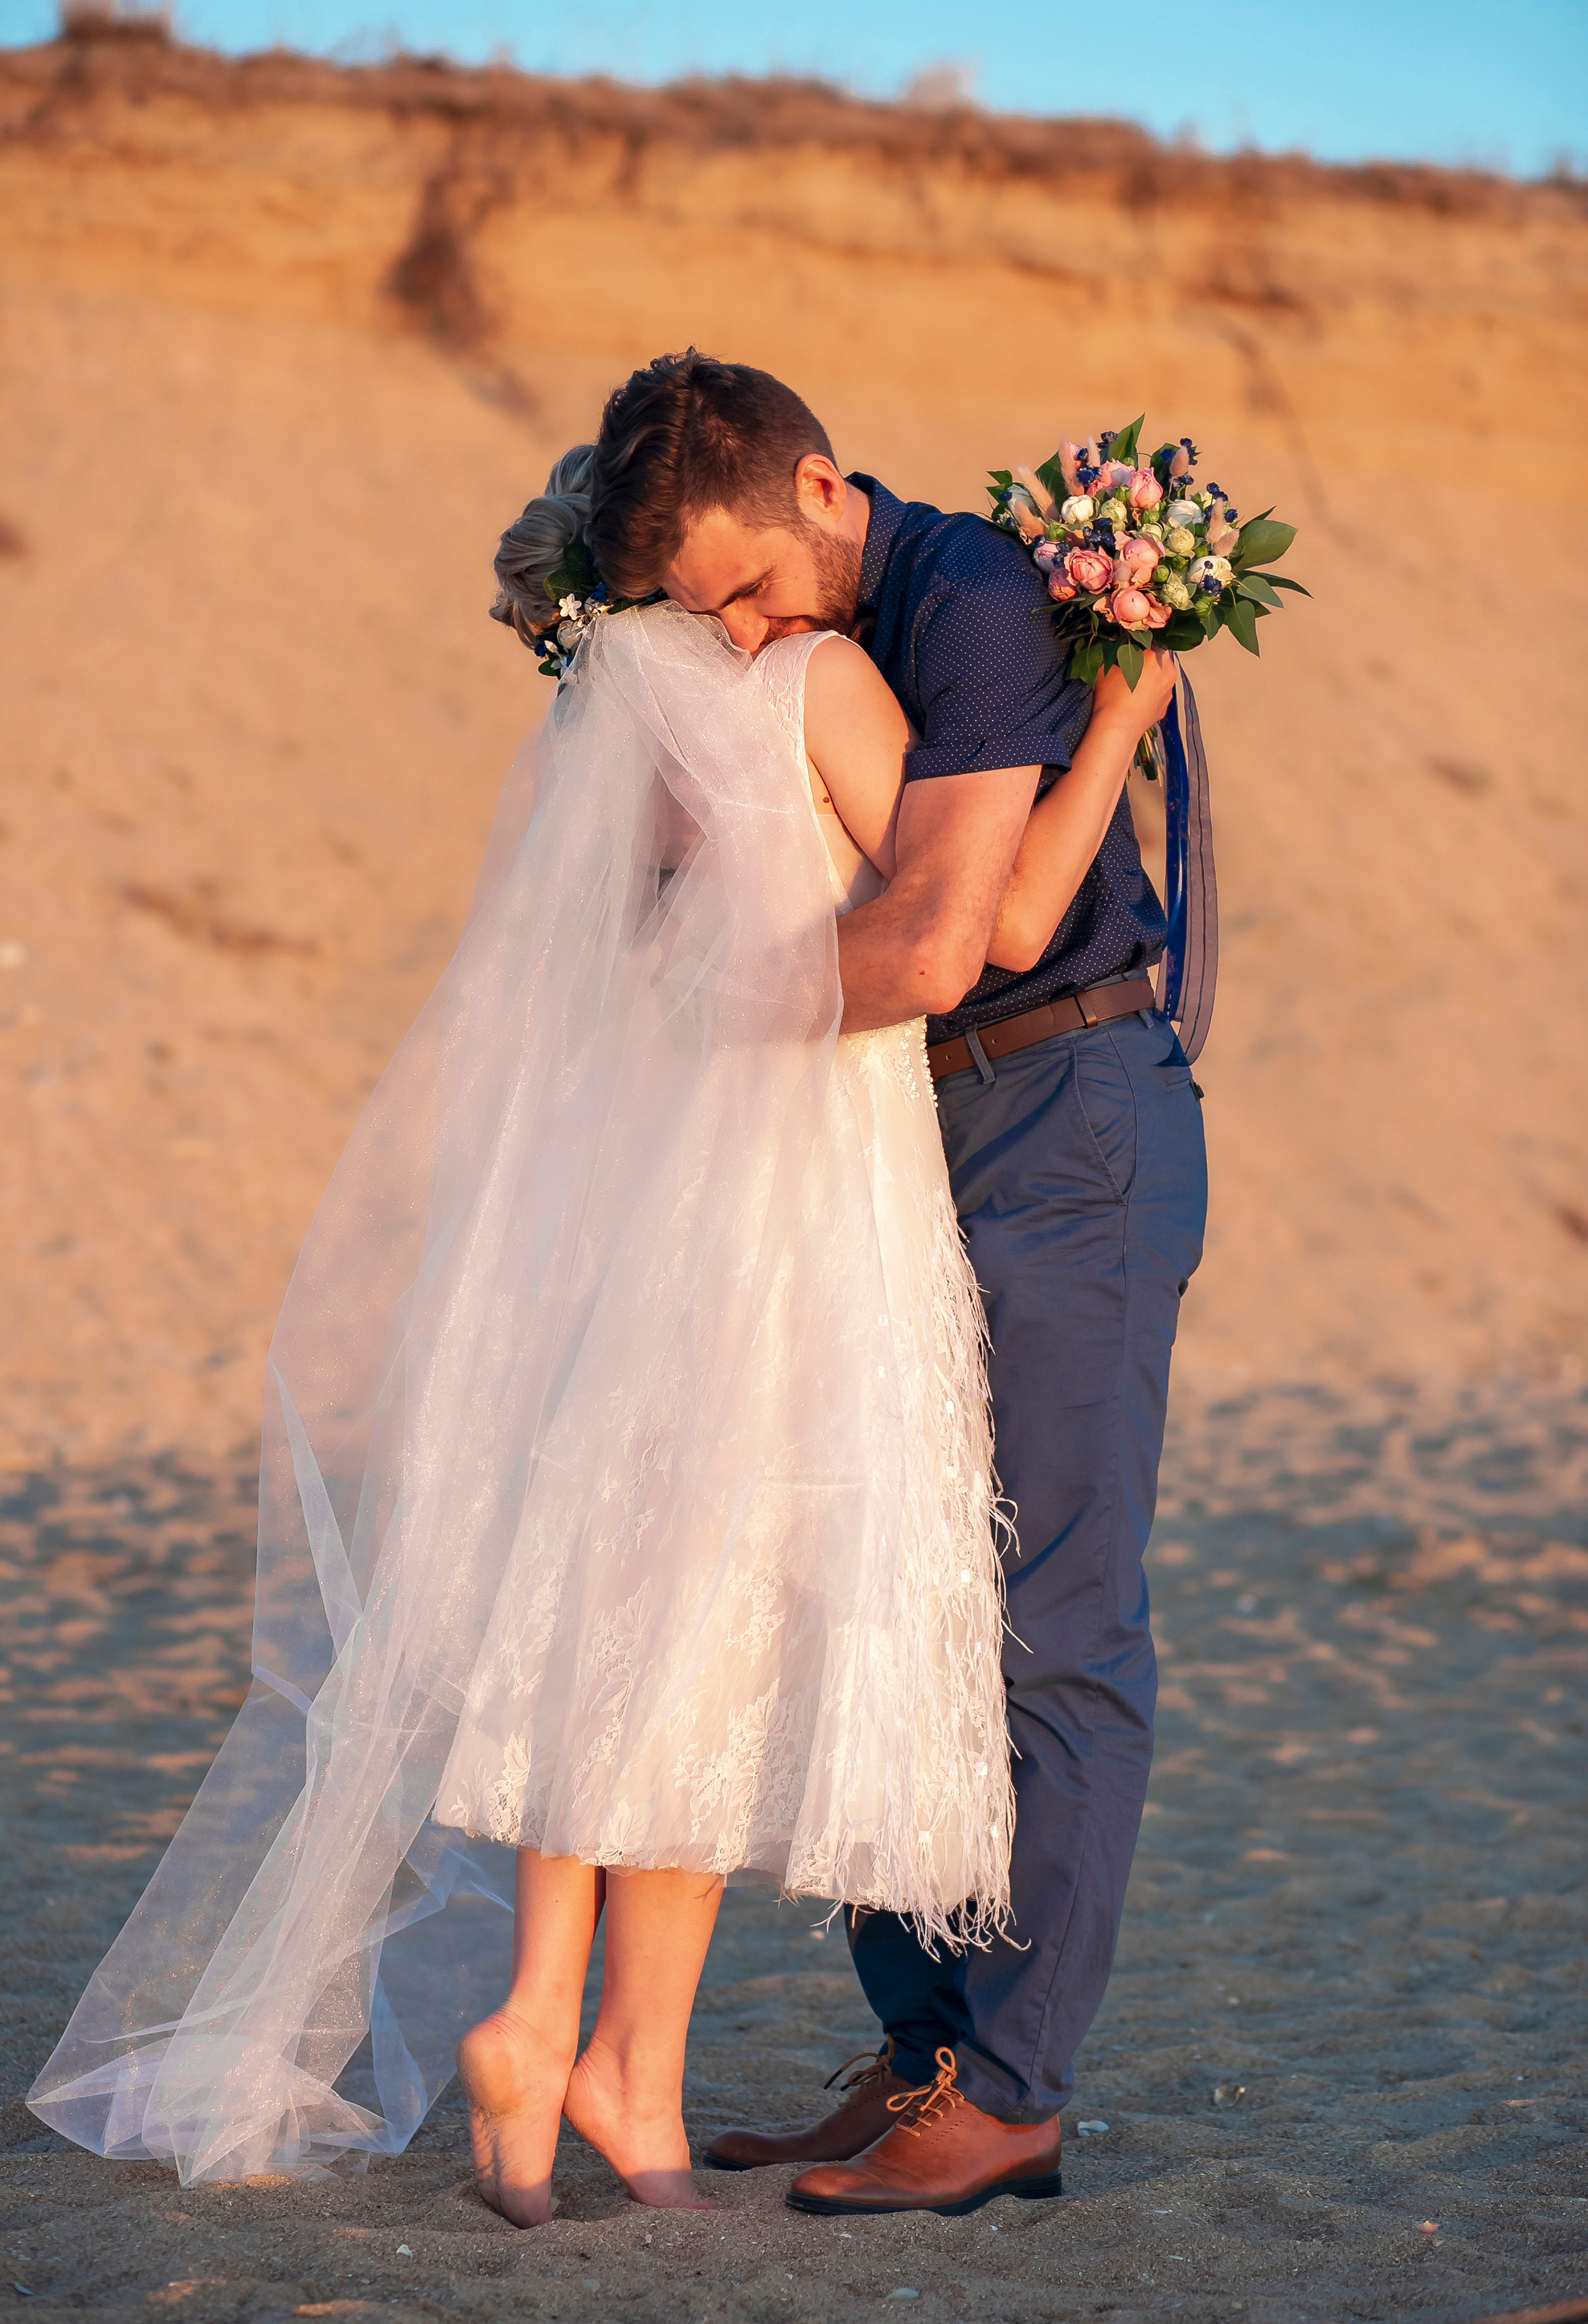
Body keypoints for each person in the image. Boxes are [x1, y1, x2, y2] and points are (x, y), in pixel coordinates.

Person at [27, 422, 1114, 2227]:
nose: (761, 609)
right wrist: (1126, 724)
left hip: (639, 1191)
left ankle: (572, 2044)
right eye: (733, 585)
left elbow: (614, 961)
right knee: (711, 1603)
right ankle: (594, 2060)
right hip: (796, 1191)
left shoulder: (605, 720)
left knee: (612, 1594)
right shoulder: (818, 684)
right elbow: (984, 929)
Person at [581, 353, 1206, 2217]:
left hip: (1061, 1121)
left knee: (1053, 1619)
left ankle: (1010, 2090)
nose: (751, 633)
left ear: (828, 488)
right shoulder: (841, 628)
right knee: (896, 1589)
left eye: (754, 589)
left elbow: (957, 937)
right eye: (707, 617)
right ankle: (924, 2049)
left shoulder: (977, 598)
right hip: (910, 1130)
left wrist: (670, 1028)